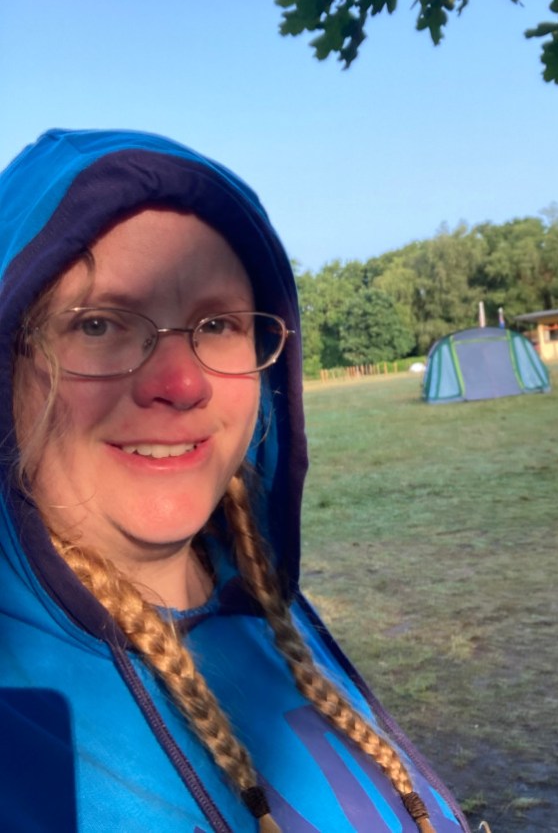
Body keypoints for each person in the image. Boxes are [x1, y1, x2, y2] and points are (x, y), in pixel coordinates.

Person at [0, 129, 470, 833]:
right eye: (98, 323)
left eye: (216, 322)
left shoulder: (265, 610)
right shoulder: (22, 716)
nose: (182, 383)